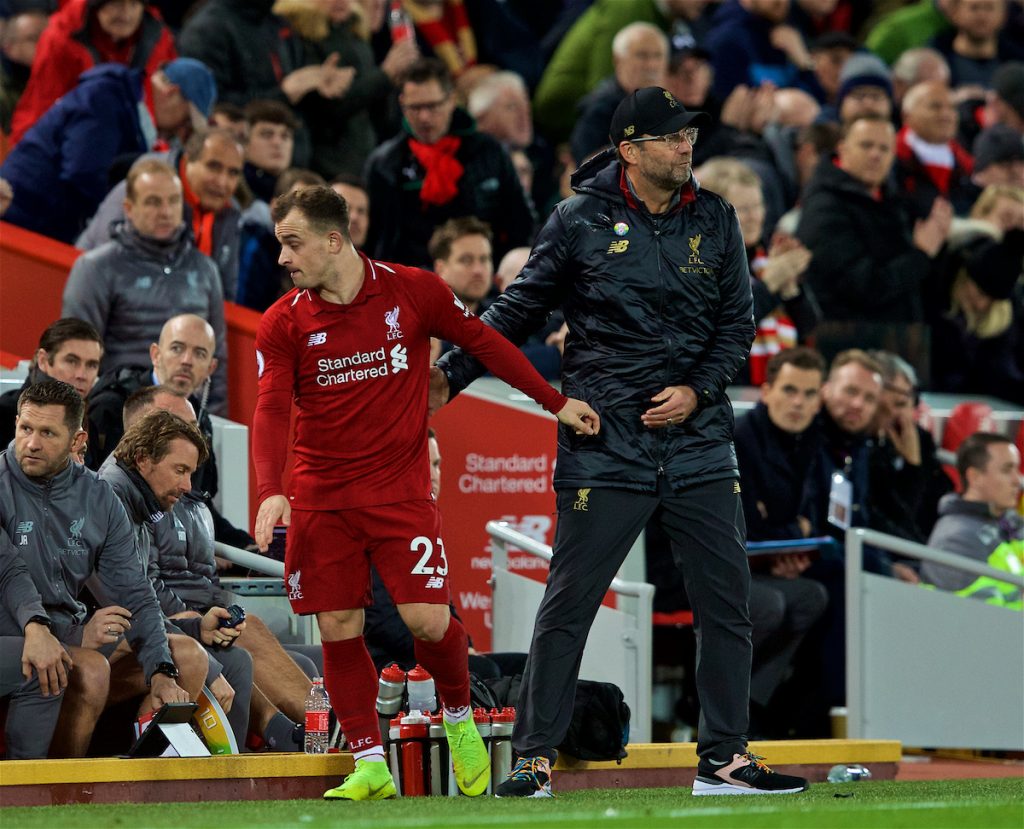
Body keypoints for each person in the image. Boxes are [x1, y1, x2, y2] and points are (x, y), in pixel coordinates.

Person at [433, 86, 809, 797]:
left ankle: (724, 757)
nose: (686, 146)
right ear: (629, 150)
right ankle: (535, 757)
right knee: (570, 600)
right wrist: (451, 373)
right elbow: (518, 307)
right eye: (670, 137)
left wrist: (698, 389)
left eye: (689, 135)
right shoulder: (577, 219)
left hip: (699, 439)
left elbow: (738, 325)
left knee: (727, 602)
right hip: (606, 441)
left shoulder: (718, 217)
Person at [250, 185, 599, 800]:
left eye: (292, 242)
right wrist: (268, 491)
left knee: (427, 620)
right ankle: (368, 763)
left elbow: (486, 343)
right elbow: (272, 408)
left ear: (335, 241)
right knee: (338, 624)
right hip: (322, 497)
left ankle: (460, 717)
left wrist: (555, 403)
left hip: (399, 491)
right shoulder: (283, 321)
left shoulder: (414, 291)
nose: (283, 257)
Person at [0, 380, 199, 757]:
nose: (32, 443)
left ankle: (137, 790)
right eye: (25, 428)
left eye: (47, 433)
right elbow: (9, 576)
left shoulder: (98, 498)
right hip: (17, 629)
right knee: (81, 665)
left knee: (185, 657)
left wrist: (161, 671)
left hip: (56, 631)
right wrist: (66, 635)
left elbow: (135, 592)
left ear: (77, 441)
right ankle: (47, 788)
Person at [61, 159, 228, 413]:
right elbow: (76, 355)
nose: (166, 211)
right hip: (116, 411)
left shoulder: (206, 270)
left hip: (188, 416)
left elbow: (219, 360)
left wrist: (213, 420)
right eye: (153, 202)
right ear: (128, 208)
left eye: (173, 201)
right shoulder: (95, 268)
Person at [0, 60, 215, 244]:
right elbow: (83, 172)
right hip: (20, 218)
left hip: (38, 222)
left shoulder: (131, 113)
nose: (179, 132)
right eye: (186, 121)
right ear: (172, 94)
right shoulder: (106, 97)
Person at [363, 57, 535, 268]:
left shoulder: (488, 151)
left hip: (482, 279)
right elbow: (375, 240)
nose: (424, 117)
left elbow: (521, 222)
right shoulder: (385, 164)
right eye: (415, 108)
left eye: (433, 106)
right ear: (402, 104)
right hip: (410, 283)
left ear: (451, 100)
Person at [796, 115, 951, 323]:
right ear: (843, 150)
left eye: (884, 149)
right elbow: (863, 287)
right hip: (847, 343)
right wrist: (921, 255)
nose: (875, 155)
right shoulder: (824, 206)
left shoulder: (894, 202)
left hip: (899, 340)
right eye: (866, 145)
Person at [76, 127, 244, 303]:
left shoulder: (231, 214)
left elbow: (225, 294)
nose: (222, 182)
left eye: (233, 173)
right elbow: (104, 267)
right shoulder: (141, 189)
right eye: (213, 167)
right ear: (188, 161)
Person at [9, 0, 177, 145]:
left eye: (134, 3)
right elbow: (41, 110)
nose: (126, 14)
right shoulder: (61, 39)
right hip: (77, 146)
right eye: (116, 4)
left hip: (142, 145)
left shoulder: (157, 36)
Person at [922, 432, 1023, 607]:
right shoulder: (956, 540)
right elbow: (976, 619)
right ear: (975, 477)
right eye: (1007, 470)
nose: (1017, 480)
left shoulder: (1007, 519)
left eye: (1017, 469)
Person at [569, 22, 669, 165]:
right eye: (642, 55)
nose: (651, 65)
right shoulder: (599, 108)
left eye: (658, 56)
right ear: (617, 60)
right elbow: (587, 166)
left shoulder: (669, 104)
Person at [0, 318, 103, 450]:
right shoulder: (4, 415)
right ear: (43, 360)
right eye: (71, 361)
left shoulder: (90, 427)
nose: (82, 375)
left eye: (91, 365)